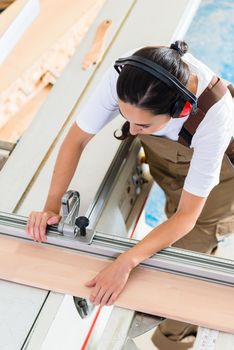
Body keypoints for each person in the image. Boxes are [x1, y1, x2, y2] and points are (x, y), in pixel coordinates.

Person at [26, 41, 234, 349]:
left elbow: (188, 216)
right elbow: (76, 140)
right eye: (126, 118)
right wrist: (50, 206)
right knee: (170, 219)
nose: (132, 132)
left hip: (222, 179)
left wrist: (127, 261)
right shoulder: (132, 78)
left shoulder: (214, 118)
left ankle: (174, 341)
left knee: (188, 257)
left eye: (142, 123)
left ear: (182, 109)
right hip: (171, 158)